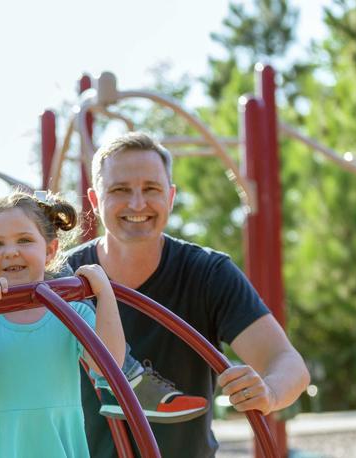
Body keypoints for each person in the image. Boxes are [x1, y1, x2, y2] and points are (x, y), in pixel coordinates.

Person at [66, 132, 311, 457]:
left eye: (151, 189)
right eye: (120, 190)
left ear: (170, 197)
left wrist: (269, 392)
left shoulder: (207, 273)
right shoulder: (64, 277)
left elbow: (288, 363)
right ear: (96, 201)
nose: (137, 203)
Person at [0, 190, 125, 457]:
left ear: (50, 250)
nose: (11, 252)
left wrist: (105, 293)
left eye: (24, 240)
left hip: (57, 445)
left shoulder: (71, 314)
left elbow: (109, 364)